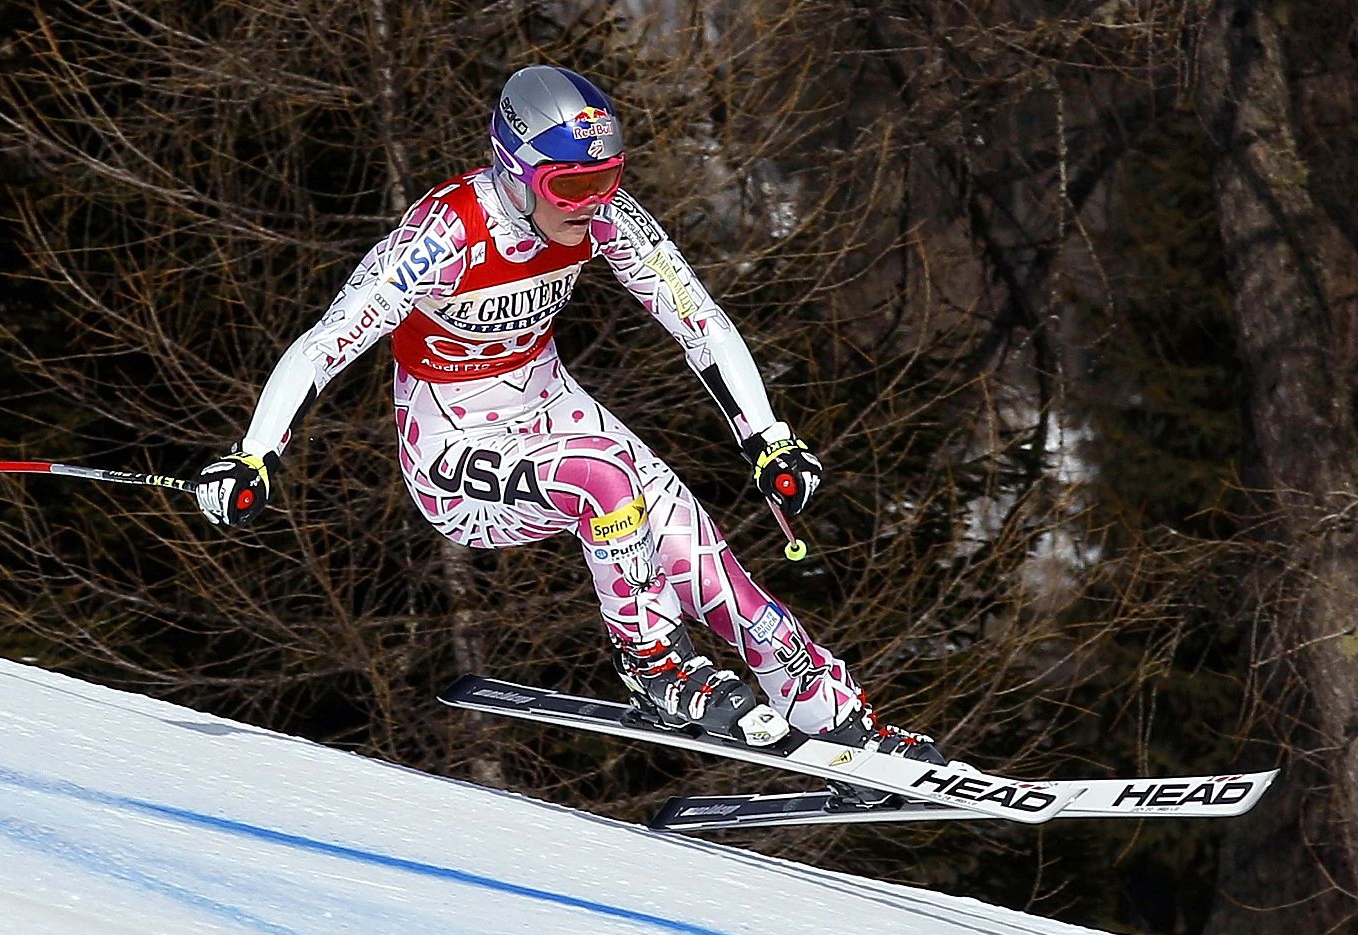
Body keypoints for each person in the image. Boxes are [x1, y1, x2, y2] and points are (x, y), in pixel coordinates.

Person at [195, 65, 945, 762]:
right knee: (604, 481)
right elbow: (327, 342)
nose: (590, 203)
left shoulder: (607, 216)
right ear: (513, 169)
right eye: (571, 184)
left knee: (706, 564)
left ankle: (844, 728)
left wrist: (769, 440)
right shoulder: (447, 234)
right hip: (453, 452)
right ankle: (651, 663)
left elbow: (698, 320)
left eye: (606, 178)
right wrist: (256, 453)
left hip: (553, 411)